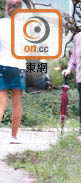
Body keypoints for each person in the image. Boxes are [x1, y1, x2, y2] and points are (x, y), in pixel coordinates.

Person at [0, 0, 26, 144]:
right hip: (18, 67)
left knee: (1, 103)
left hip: (2, 65)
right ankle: (14, 136)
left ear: (6, 8)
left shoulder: (1, 24)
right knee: (17, 103)